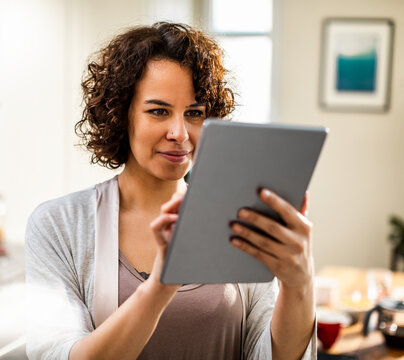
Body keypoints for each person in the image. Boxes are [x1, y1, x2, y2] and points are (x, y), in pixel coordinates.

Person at [25, 22, 316, 360]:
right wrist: (160, 286)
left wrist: (300, 284)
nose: (180, 132)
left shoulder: (241, 216)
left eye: (194, 113)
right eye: (159, 111)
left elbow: (268, 354)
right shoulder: (57, 226)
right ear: (122, 115)